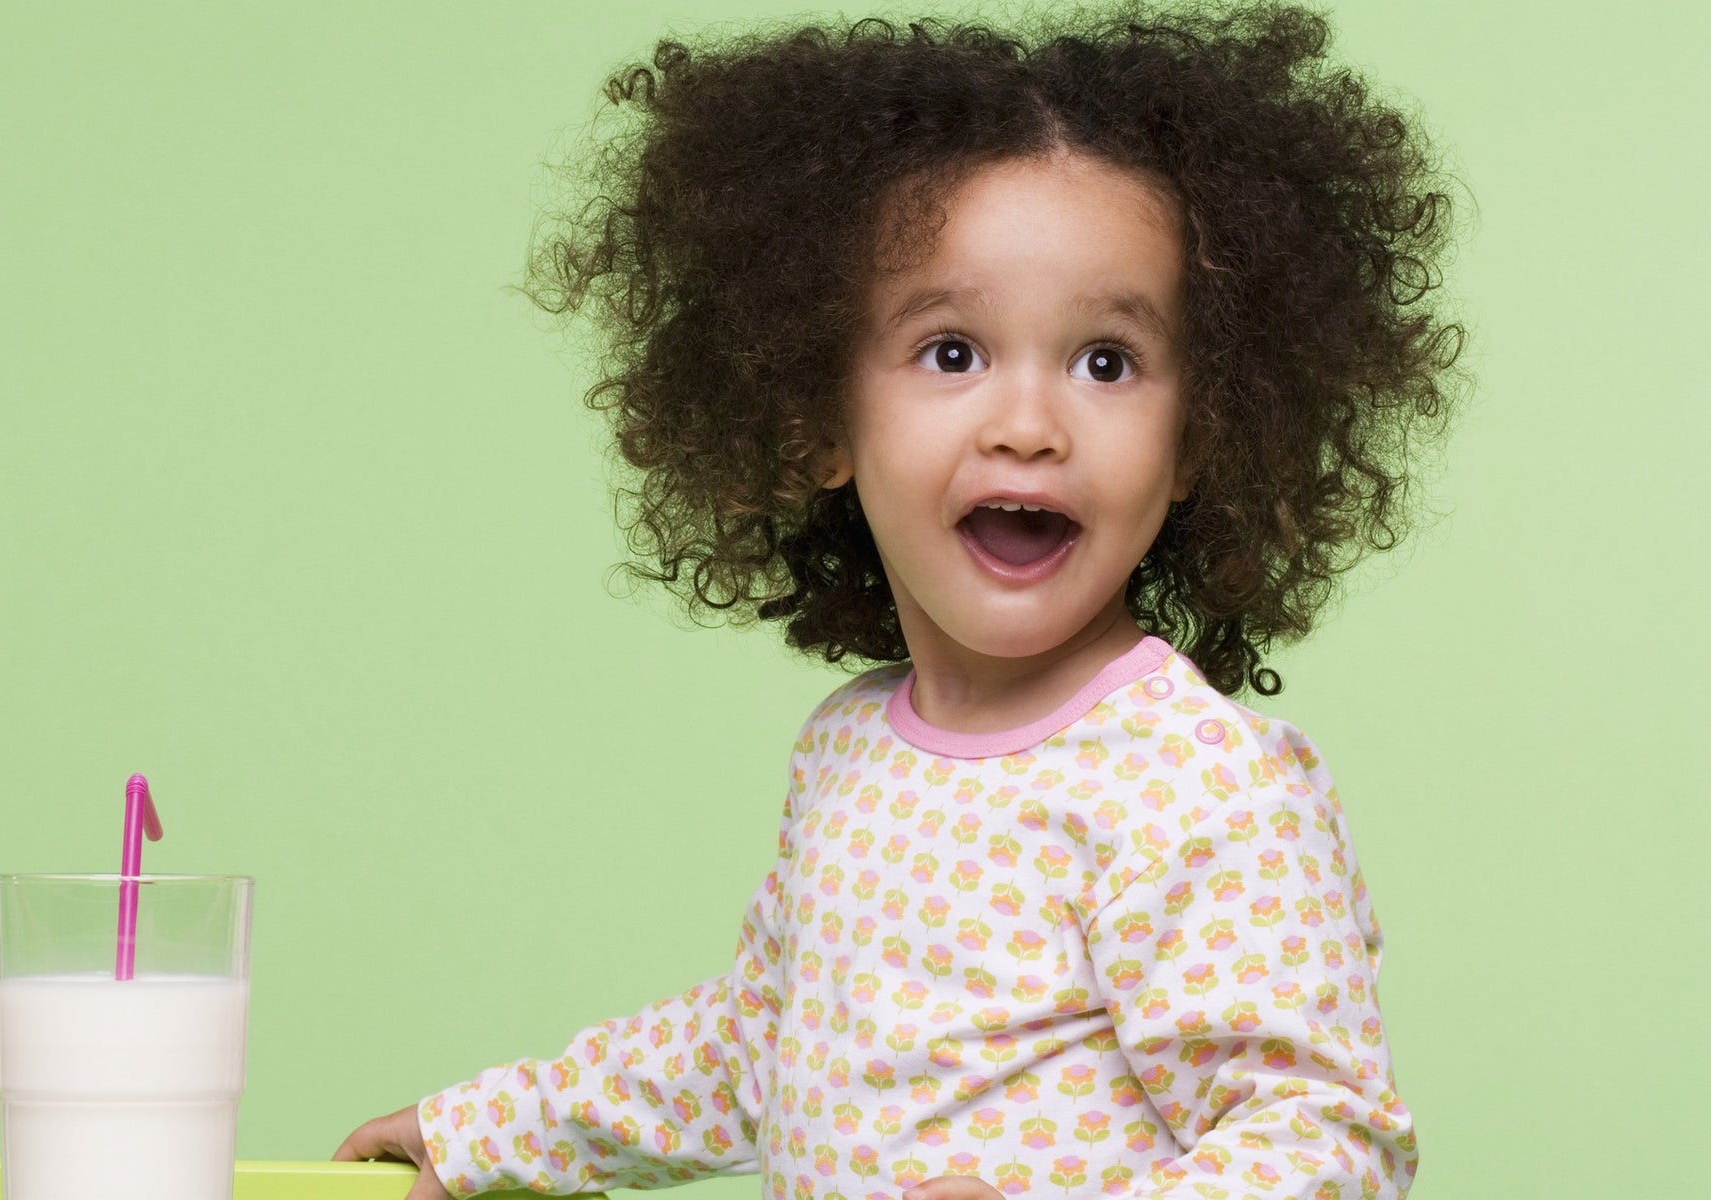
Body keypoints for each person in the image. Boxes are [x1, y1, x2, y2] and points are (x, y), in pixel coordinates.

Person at [337, 3, 1465, 1198]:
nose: (1028, 426)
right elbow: (750, 1044)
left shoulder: (1194, 783)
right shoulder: (848, 750)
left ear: (1198, 437)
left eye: (1105, 362)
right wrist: (496, 1132)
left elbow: (1321, 1138)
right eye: (950, 352)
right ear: (816, 415)